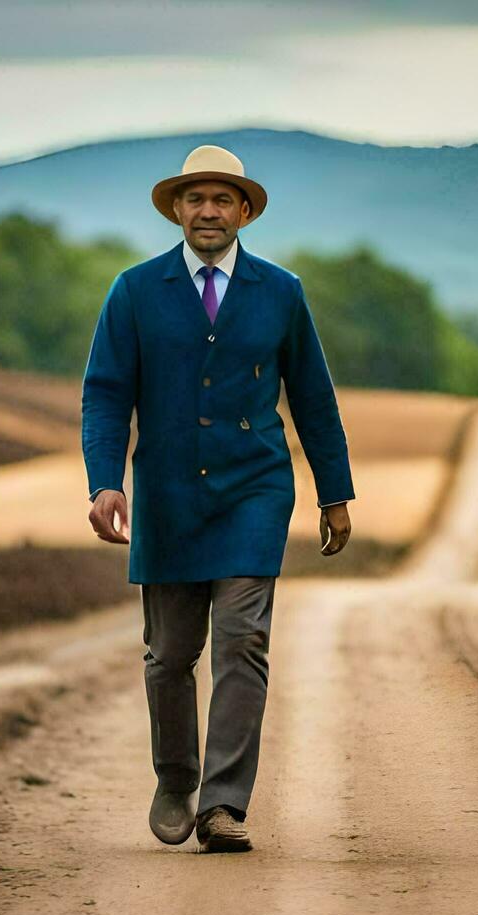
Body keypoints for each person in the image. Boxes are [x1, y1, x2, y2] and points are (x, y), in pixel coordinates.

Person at [80, 144, 355, 853]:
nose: (209, 211)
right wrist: (105, 480)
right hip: (168, 494)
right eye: (196, 198)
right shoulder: (135, 291)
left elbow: (313, 398)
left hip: (254, 489)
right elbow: (106, 394)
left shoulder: (281, 292)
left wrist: (334, 493)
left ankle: (223, 804)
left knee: (243, 642)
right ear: (177, 209)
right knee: (170, 655)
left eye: (223, 199)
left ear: (244, 212)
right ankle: (177, 779)